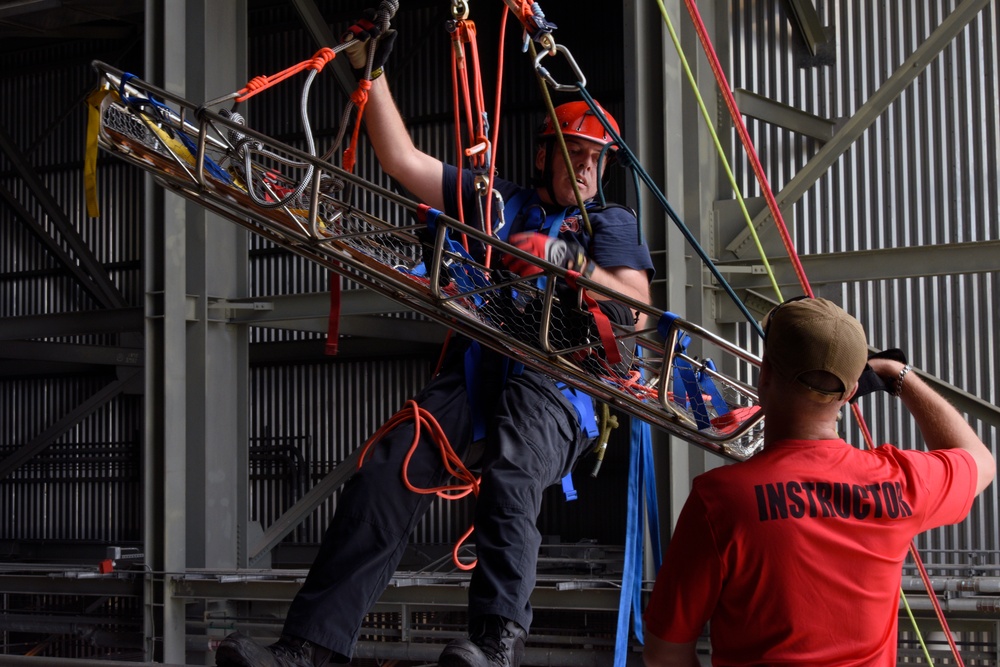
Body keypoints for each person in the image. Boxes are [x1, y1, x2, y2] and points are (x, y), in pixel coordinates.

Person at [216, 13, 653, 667]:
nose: (584, 167)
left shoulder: (610, 224)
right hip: (482, 374)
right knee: (387, 471)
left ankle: (493, 640)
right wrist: (374, 69)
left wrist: (563, 258)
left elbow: (636, 312)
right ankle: (310, 646)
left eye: (595, 159)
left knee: (510, 473)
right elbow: (401, 159)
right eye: (573, 152)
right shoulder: (496, 202)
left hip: (558, 383)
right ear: (544, 153)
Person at [642, 296, 995, 667]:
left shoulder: (719, 500)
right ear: (852, 391)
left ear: (765, 375)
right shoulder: (901, 481)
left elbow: (664, 652)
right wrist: (898, 374)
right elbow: (981, 462)